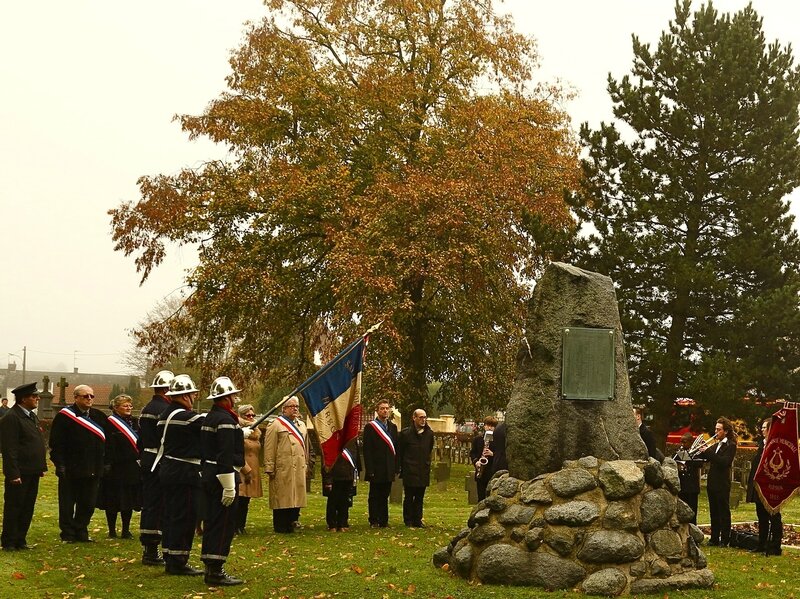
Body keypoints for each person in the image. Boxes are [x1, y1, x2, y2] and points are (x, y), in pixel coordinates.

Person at [156, 374, 205, 576]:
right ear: (185, 396)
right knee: (184, 516)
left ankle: (170, 554)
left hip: (169, 469)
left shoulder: (166, 415)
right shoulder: (184, 417)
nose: (194, 398)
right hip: (184, 472)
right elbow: (209, 423)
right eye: (192, 394)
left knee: (171, 515)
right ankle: (178, 560)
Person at [200, 376, 245, 586]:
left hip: (209, 473)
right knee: (223, 523)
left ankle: (210, 565)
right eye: (233, 395)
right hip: (222, 475)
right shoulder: (226, 421)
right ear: (226, 398)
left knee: (212, 521)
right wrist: (229, 486)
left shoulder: (212, 417)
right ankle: (215, 571)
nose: (235, 398)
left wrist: (239, 433)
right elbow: (225, 454)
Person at [49, 384, 107, 543]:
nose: (89, 399)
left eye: (91, 396)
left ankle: (81, 530)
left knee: (88, 503)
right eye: (85, 396)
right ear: (75, 398)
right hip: (71, 468)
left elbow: (107, 442)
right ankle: (67, 533)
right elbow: (56, 443)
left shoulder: (98, 416)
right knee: (67, 503)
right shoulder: (65, 416)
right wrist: (60, 464)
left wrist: (105, 463)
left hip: (93, 468)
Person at [1, 382, 47, 551]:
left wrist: (39, 467)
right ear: (23, 399)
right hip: (19, 472)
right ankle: (9, 541)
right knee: (15, 506)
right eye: (34, 396)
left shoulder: (31, 416)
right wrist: (13, 473)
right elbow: (9, 449)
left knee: (27, 506)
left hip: (32, 470)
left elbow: (33, 442)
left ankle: (21, 539)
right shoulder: (11, 418)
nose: (38, 399)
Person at [138, 370, 174, 566]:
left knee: (151, 505)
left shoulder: (146, 408)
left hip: (148, 457)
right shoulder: (163, 410)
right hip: (158, 459)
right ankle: (152, 550)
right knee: (157, 505)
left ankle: (150, 548)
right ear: (167, 390)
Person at [98, 394, 142, 539]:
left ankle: (126, 529)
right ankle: (111, 530)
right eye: (125, 405)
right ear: (116, 408)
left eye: (130, 405)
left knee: (127, 499)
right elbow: (106, 444)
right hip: (114, 467)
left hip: (131, 467)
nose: (129, 408)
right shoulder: (109, 423)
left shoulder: (135, 422)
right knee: (112, 499)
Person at [264, 396, 309, 533]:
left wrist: (306, 464)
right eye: (292, 406)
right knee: (282, 496)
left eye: (297, 406)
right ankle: (281, 524)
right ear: (284, 408)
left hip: (299, 465)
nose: (295, 409)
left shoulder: (301, 425)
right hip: (283, 466)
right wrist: (269, 466)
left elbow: (305, 447)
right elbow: (269, 447)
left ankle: (293, 520)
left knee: (296, 495)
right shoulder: (275, 424)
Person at [746, 418, 783, 556]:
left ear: (770, 429)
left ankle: (775, 546)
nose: (761, 430)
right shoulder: (762, 444)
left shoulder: (774, 445)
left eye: (764, 427)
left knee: (774, 516)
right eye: (761, 427)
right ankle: (761, 544)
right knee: (761, 516)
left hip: (770, 487)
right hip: (759, 485)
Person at [700, 416, 737, 547]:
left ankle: (725, 539)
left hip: (722, 483)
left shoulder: (730, 445)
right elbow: (709, 457)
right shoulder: (716, 445)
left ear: (726, 431)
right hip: (712, 483)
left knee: (723, 512)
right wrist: (701, 450)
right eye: (715, 429)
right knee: (713, 512)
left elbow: (723, 462)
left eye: (719, 430)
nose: (716, 432)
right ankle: (714, 538)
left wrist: (708, 452)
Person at [362, 400, 398, 528]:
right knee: (374, 495)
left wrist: (395, 467)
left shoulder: (393, 427)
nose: (385, 411)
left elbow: (395, 448)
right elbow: (367, 450)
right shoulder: (370, 427)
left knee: (384, 495)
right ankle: (374, 520)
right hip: (376, 468)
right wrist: (369, 469)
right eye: (382, 408)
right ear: (377, 410)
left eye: (387, 408)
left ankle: (383, 520)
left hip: (388, 467)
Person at [398, 409, 434, 528]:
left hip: (423, 469)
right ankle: (408, 520)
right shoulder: (406, 434)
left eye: (425, 417)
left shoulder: (429, 434)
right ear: (414, 418)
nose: (423, 420)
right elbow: (401, 452)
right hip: (410, 469)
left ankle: (417, 520)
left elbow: (429, 449)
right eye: (420, 417)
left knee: (419, 497)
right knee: (409, 497)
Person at [236, 404, 263, 535]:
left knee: (246, 500)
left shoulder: (256, 432)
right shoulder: (238, 430)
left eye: (253, 415)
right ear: (242, 416)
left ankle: (241, 525)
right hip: (241, 468)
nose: (251, 417)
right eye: (248, 415)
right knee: (239, 499)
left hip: (253, 468)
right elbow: (236, 451)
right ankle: (235, 526)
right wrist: (246, 469)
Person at [322, 438, 360, 531]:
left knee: (345, 501)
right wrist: (328, 479)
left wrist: (355, 474)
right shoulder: (332, 439)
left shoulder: (352, 439)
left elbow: (356, 457)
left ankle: (343, 523)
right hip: (334, 476)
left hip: (348, 475)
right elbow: (326, 461)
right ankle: (332, 524)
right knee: (333, 502)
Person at [673, 432, 701, 524]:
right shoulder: (679, 452)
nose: (682, 444)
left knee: (692, 511)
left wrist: (688, 459)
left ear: (690, 442)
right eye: (681, 442)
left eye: (684, 442)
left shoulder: (697, 453)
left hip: (692, 488)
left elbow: (699, 463)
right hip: (682, 486)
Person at [470, 416, 498, 501]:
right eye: (487, 425)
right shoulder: (477, 439)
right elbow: (473, 453)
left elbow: (502, 454)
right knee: (481, 498)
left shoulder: (497, 440)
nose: (489, 428)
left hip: (492, 472)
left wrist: (492, 454)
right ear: (484, 426)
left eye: (492, 426)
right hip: (481, 473)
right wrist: (476, 462)